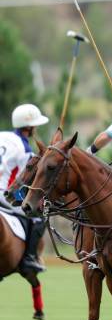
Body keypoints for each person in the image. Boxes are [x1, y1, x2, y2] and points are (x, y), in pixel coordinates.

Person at [0, 104, 49, 273]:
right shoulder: (25, 149)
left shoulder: (3, 135)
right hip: (2, 194)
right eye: (35, 125)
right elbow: (23, 182)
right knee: (38, 217)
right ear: (29, 127)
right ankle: (29, 258)